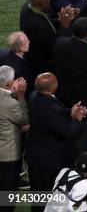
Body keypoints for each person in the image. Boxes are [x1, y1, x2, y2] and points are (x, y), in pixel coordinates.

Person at [26, 73, 87, 211]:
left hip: (35, 156)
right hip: (48, 161)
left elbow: (52, 116)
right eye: (55, 82)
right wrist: (76, 119)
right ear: (51, 88)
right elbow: (67, 132)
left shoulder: (34, 96)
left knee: (37, 196)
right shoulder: (50, 106)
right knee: (48, 199)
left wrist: (69, 111)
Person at [54, 17, 87, 154]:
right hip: (83, 104)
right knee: (82, 141)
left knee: (64, 132)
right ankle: (82, 168)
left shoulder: (60, 43)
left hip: (62, 97)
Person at [19, 0, 76, 76]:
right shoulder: (39, 26)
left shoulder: (28, 6)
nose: (50, 0)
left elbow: (47, 22)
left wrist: (59, 20)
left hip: (35, 51)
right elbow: (56, 46)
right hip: (43, 62)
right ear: (41, 3)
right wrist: (64, 25)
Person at [0, 66, 28, 203]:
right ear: (9, 84)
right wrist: (21, 95)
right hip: (7, 155)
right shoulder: (11, 103)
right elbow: (24, 119)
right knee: (8, 193)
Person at [0, 32, 33, 98]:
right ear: (21, 48)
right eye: (26, 41)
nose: (29, 42)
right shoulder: (20, 70)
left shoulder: (2, 53)